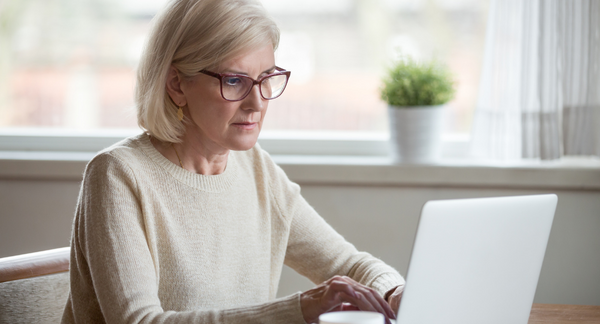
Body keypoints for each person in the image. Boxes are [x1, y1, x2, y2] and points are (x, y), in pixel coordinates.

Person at [61, 0, 405, 323]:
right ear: (177, 85)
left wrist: (394, 293)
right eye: (235, 80)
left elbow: (347, 264)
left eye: (266, 78)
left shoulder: (257, 170)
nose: (257, 103)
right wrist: (298, 310)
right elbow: (139, 321)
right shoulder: (117, 175)